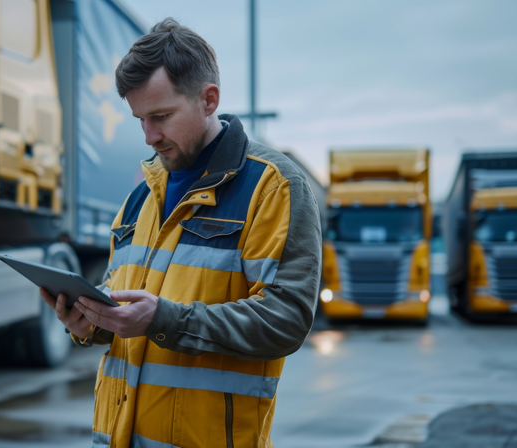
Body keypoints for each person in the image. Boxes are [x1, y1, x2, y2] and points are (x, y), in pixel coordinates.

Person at [41, 17, 321, 448]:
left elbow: (286, 321)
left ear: (209, 100)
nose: (150, 136)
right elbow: (127, 303)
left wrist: (164, 318)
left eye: (161, 116)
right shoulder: (142, 195)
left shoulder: (273, 186)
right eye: (140, 119)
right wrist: (90, 320)